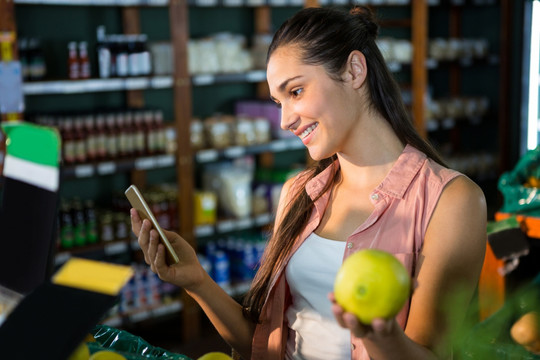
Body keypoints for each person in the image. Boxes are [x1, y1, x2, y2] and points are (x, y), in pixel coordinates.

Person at [130, 6, 487, 360]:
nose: (284, 120)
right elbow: (259, 344)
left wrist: (380, 336)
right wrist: (196, 281)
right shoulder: (298, 192)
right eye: (277, 101)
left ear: (354, 70)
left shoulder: (451, 201)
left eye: (296, 92)